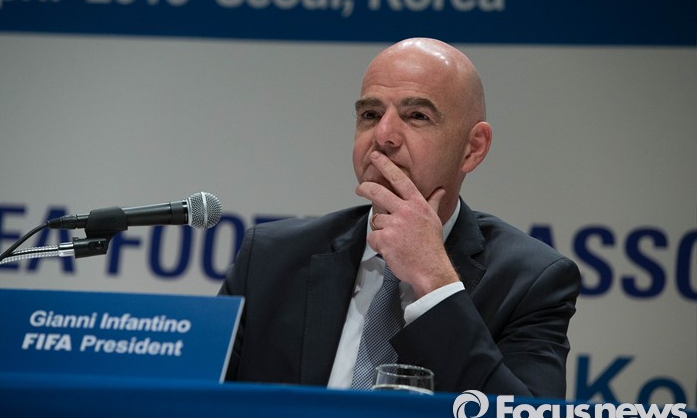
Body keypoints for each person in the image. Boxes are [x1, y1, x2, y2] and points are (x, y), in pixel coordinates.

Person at [219, 38, 580, 397]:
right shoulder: (268, 260)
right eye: (370, 115)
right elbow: (201, 402)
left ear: (473, 148)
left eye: (417, 116)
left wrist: (434, 281)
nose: (383, 136)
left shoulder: (531, 281)